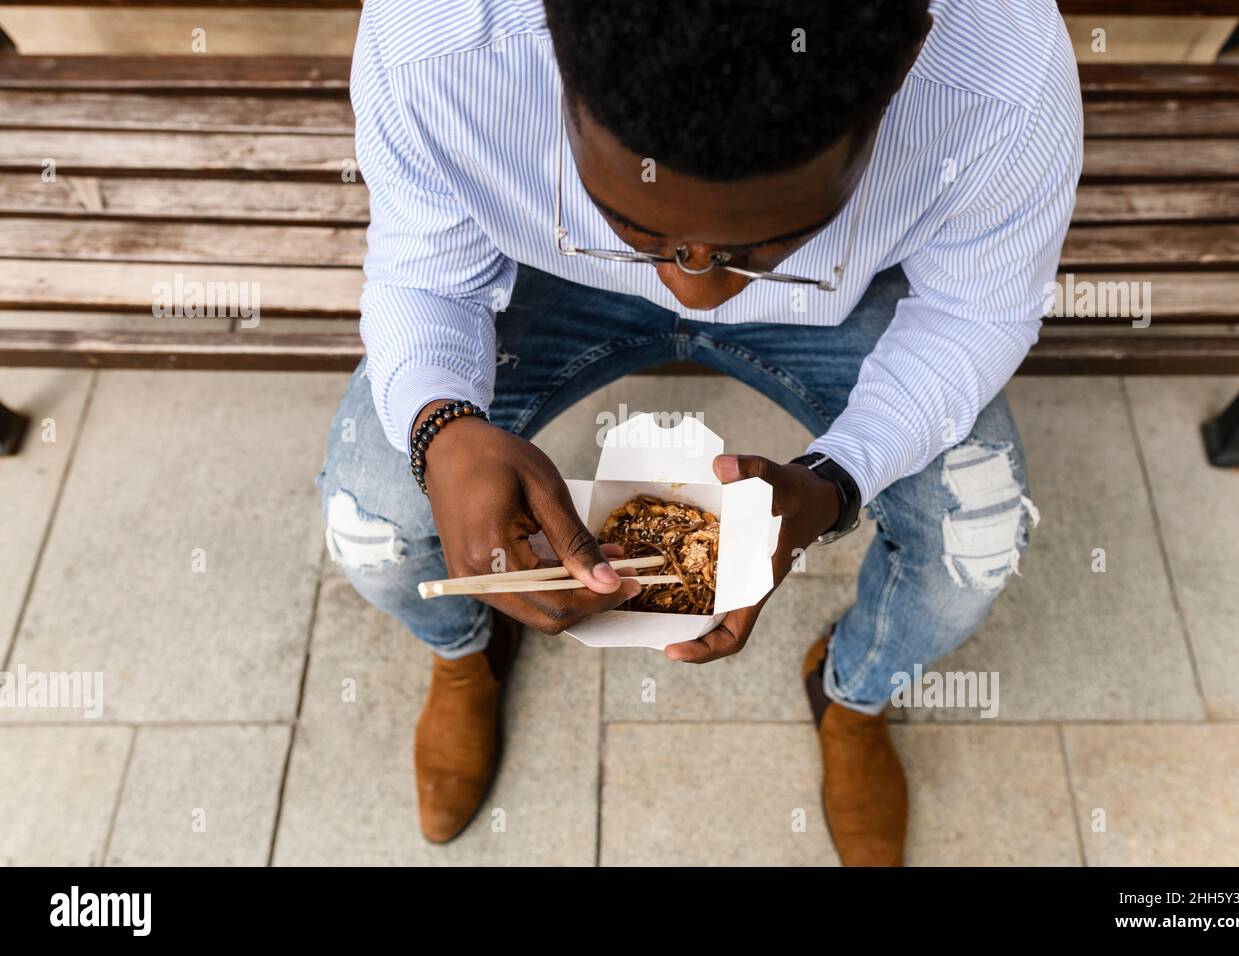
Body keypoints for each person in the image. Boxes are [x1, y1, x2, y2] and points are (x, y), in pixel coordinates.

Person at [318, 0, 1083, 865]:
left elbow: (972, 311)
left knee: (972, 548)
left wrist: (839, 480)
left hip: (842, 292)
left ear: (895, 88)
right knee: (374, 524)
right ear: (556, 64)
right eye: (642, 229)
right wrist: (443, 427)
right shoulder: (439, 39)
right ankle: (466, 646)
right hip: (544, 270)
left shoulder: (1001, 76)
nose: (697, 293)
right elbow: (425, 273)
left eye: (761, 245)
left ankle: (856, 693)